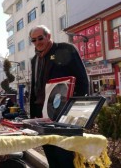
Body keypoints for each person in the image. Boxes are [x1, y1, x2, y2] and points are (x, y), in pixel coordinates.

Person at [29, 25, 89, 168]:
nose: (37, 42)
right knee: (50, 154)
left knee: (64, 155)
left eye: (40, 38)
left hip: (61, 114)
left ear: (48, 36)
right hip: (40, 115)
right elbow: (35, 88)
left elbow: (82, 81)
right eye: (33, 40)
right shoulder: (34, 60)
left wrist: (75, 112)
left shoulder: (66, 49)